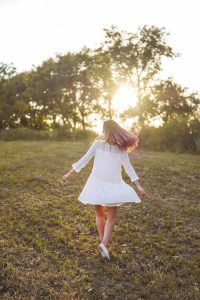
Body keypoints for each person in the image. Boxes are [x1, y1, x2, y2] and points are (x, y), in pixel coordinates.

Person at [62, 119, 145, 260]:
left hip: (101, 184)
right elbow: (128, 168)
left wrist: (69, 174)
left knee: (100, 215)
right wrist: (138, 186)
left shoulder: (103, 145)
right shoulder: (116, 148)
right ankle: (104, 244)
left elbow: (84, 160)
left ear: (105, 131)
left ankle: (103, 244)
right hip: (105, 184)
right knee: (111, 217)